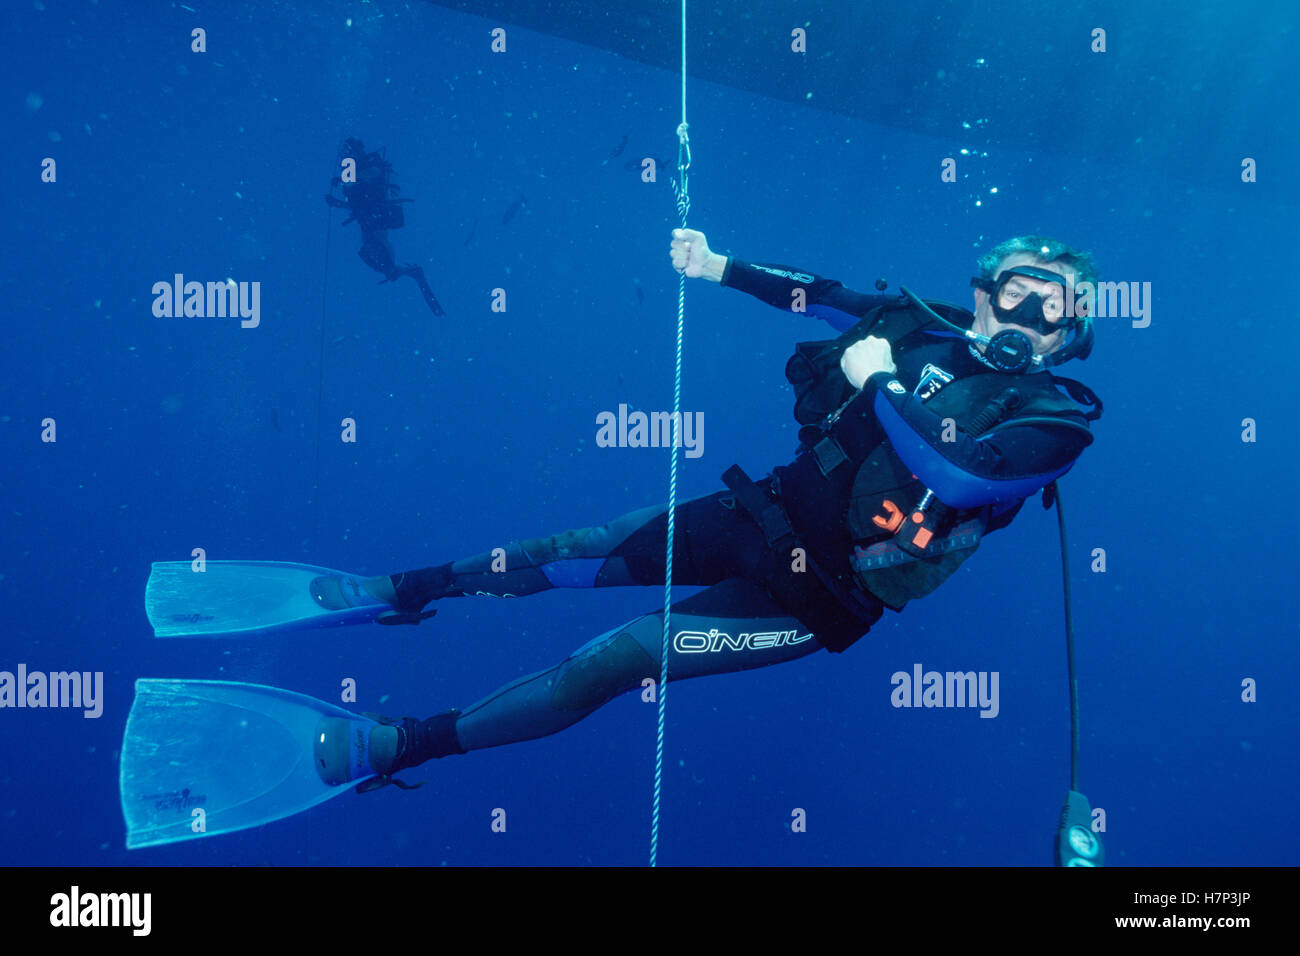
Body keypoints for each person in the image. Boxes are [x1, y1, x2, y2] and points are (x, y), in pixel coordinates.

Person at [336, 228, 1103, 781]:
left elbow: (963, 476)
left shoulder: (1052, 422)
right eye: (1016, 293)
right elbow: (820, 295)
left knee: (610, 662)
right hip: (759, 516)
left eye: (1052, 313)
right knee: (572, 546)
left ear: (1068, 338)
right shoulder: (913, 328)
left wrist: (881, 384)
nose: (1028, 320)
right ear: (982, 293)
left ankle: (408, 744)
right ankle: (405, 589)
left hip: (813, 598)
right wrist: (717, 265)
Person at [326, 137, 445, 316]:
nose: (349, 154)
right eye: (348, 152)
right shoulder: (350, 169)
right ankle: (404, 271)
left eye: (352, 150)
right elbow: (354, 199)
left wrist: (344, 180)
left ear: (359, 149)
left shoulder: (371, 160)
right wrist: (338, 202)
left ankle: (406, 271)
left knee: (378, 242)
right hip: (366, 214)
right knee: (370, 248)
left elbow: (372, 174)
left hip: (378, 210)